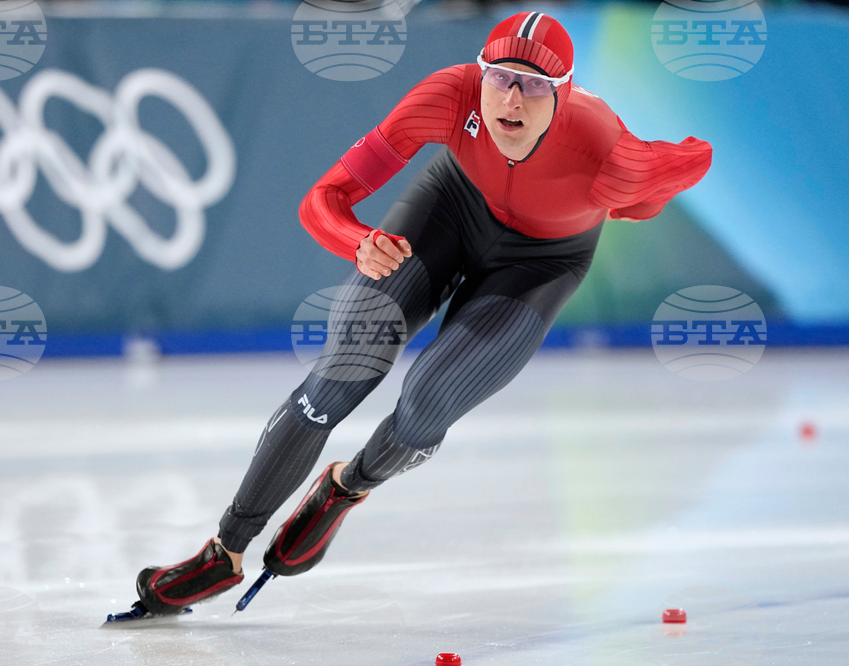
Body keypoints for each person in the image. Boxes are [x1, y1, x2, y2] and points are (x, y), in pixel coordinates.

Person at [130, 11, 713, 615]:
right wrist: (358, 241)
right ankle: (223, 551)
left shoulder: (609, 154)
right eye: (500, 78)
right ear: (480, 75)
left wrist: (639, 202)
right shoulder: (449, 95)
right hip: (451, 207)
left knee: (429, 400)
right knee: (343, 367)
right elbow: (323, 198)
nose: (512, 99)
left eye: (535, 85)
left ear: (563, 95)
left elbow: (694, 159)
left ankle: (347, 487)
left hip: (543, 261)